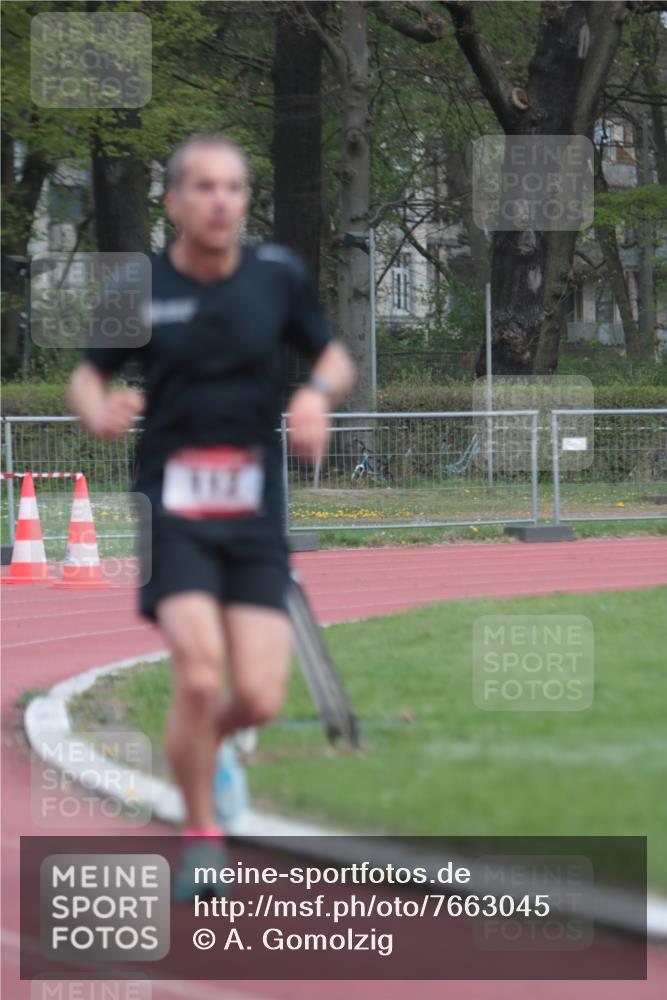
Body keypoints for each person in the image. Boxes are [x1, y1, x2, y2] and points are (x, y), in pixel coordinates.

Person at [69, 134, 355, 896]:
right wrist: (99, 408)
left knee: (257, 695)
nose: (220, 200)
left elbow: (331, 355)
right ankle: (201, 834)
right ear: (174, 203)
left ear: (243, 201)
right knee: (198, 679)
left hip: (253, 509)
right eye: (203, 187)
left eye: (233, 187)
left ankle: (211, 749)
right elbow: (87, 376)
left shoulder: (276, 276)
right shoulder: (142, 287)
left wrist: (312, 395)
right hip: (174, 505)